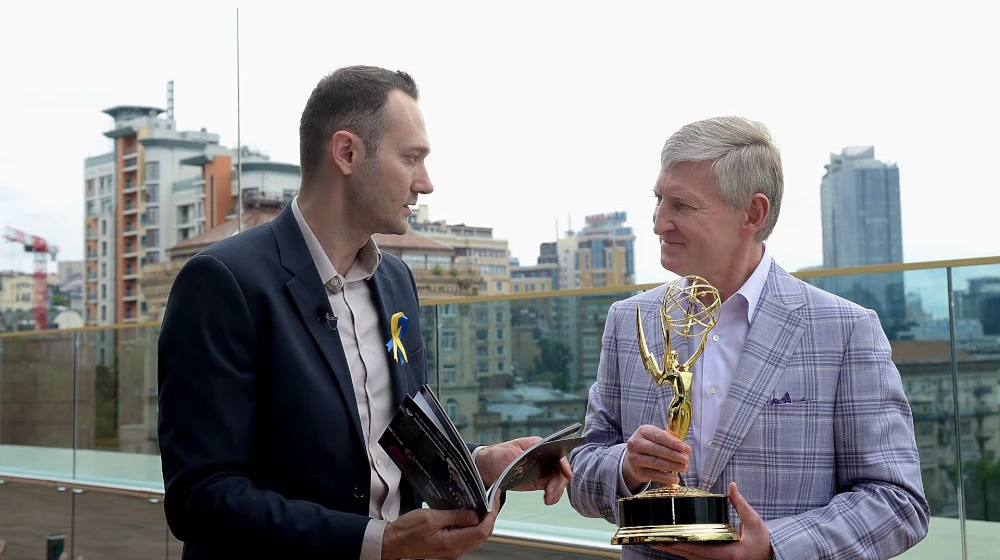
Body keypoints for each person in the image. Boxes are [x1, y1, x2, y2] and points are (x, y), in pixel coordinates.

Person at [158, 65, 570, 560]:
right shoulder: (223, 283)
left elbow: (395, 443)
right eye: (411, 158)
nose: (426, 183)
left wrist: (480, 464)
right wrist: (378, 544)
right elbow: (199, 499)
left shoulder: (396, 282)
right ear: (347, 153)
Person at [568, 116, 929, 560]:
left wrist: (773, 549)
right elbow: (583, 476)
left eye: (682, 205)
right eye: (659, 199)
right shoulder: (628, 320)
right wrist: (626, 465)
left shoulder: (845, 330)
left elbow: (898, 502)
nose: (659, 223)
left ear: (752, 214)